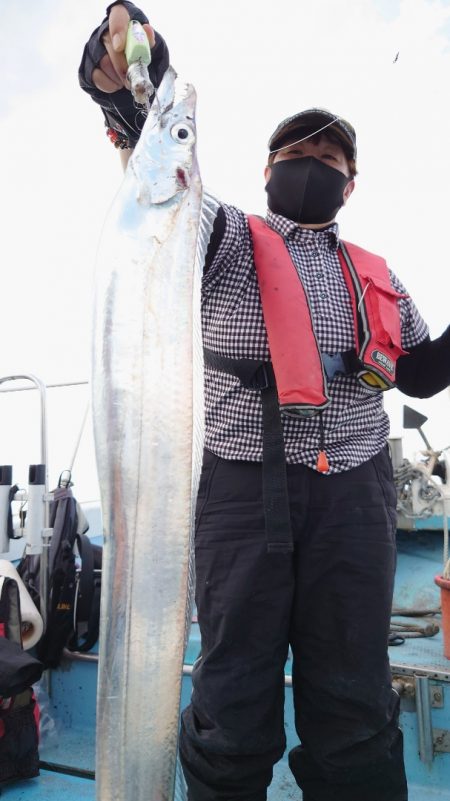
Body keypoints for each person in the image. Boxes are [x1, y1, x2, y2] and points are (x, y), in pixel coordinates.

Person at [79, 5, 450, 800]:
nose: (314, 162)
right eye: (298, 151)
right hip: (243, 494)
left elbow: (418, 371)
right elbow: (162, 178)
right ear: (267, 169)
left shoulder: (375, 271)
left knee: (354, 699)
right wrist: (126, 93)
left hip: (354, 495)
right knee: (233, 700)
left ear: (352, 183)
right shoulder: (219, 234)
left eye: (330, 155)